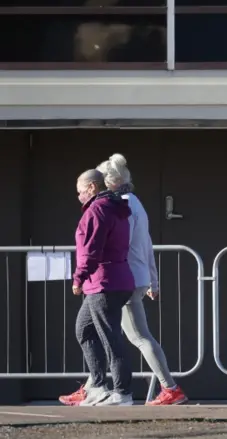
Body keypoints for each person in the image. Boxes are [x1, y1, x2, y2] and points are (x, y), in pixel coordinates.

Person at [60, 154, 188, 406]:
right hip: (130, 276)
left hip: (117, 278)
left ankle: (167, 387)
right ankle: (93, 385)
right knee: (100, 331)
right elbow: (146, 243)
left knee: (133, 336)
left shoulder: (117, 206)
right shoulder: (132, 203)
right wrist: (153, 279)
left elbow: (116, 243)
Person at [71, 169, 136, 406]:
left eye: (80, 191)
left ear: (91, 188)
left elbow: (90, 249)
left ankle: (122, 392)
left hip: (103, 282)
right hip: (113, 280)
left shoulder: (97, 210)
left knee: (110, 338)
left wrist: (78, 277)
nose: (78, 196)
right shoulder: (115, 208)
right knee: (85, 330)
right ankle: (97, 385)